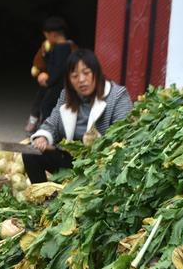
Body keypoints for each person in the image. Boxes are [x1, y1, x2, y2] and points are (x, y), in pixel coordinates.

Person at [23, 49, 133, 183]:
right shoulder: (67, 95)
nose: (81, 80)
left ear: (96, 73)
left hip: (101, 165)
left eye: (86, 73)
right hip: (72, 161)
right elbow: (52, 123)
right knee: (30, 152)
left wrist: (97, 145)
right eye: (74, 76)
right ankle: (43, 196)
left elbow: (124, 135)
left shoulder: (117, 96)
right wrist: (43, 137)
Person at [25, 17, 78, 133]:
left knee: (47, 106)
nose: (46, 39)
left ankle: (46, 131)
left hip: (58, 85)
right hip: (58, 84)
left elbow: (59, 69)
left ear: (53, 35)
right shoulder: (66, 47)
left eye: (46, 36)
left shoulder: (61, 49)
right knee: (48, 104)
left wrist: (48, 82)